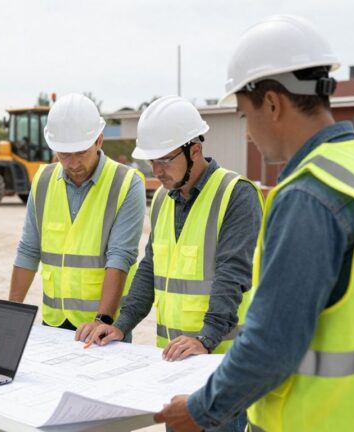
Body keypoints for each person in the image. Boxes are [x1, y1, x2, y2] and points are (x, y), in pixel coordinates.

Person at [153, 15, 354, 431]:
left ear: (272, 103)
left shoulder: (308, 193)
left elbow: (270, 345)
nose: (247, 133)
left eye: (245, 116)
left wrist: (199, 410)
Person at [86, 96, 262, 432]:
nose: (157, 172)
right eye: (151, 162)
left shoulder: (236, 194)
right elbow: (149, 267)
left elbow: (232, 274)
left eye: (165, 161)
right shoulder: (165, 201)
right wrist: (121, 323)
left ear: (194, 151)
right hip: (175, 362)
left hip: (221, 365)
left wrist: (206, 338)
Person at [8, 93, 146, 337]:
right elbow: (29, 250)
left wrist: (102, 319)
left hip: (103, 326)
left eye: (80, 152)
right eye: (63, 154)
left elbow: (120, 257)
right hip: (54, 321)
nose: (72, 163)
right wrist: (11, 312)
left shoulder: (126, 184)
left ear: (99, 141)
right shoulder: (42, 181)